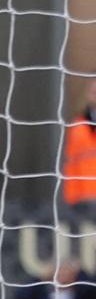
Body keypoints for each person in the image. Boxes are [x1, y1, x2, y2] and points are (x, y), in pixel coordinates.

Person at [63, 78, 96, 206]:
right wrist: (71, 200)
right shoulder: (77, 127)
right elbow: (70, 166)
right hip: (82, 202)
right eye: (93, 91)